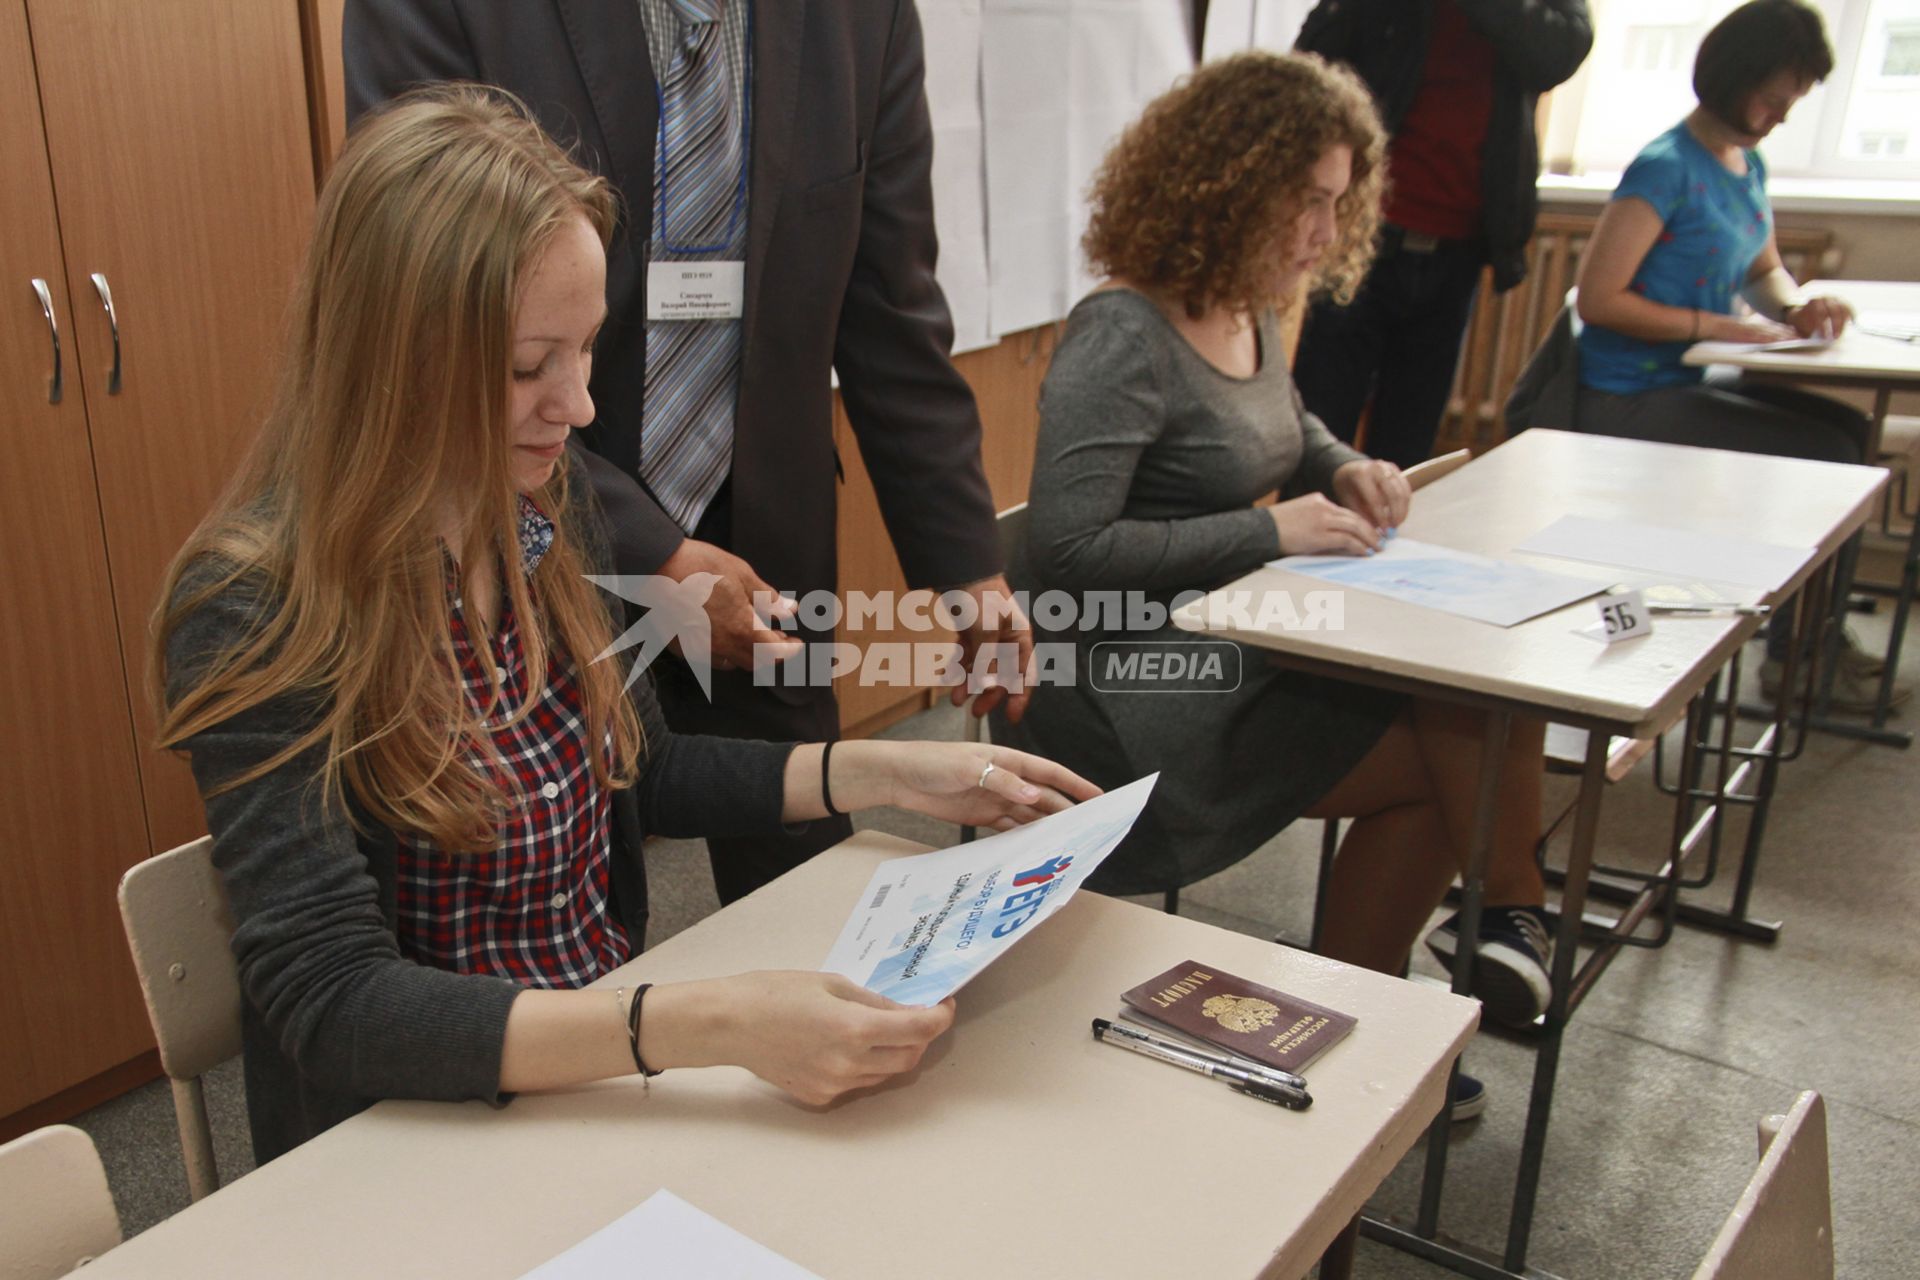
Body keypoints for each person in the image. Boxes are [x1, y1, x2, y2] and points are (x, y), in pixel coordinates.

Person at [154, 87, 1096, 1163]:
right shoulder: (256, 606)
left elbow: (636, 771)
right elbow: (333, 1001)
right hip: (411, 1136)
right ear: (389, 354)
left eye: (586, 351)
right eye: (526, 368)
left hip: (593, 1076)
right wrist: (704, 1022)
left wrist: (882, 773)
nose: (580, 406)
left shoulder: (548, 509)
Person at [343, 0, 1035, 907]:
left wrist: (968, 570)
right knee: (557, 880)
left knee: (809, 886)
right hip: (527, 521)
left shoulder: (865, 20)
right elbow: (420, 295)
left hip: (764, 541)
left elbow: (892, 317)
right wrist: (651, 553)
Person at [988, 53, 1553, 1096]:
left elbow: (1292, 432)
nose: (1327, 236)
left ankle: (1404, 987)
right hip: (1116, 694)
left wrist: (1348, 466)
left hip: (1223, 645)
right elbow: (1063, 560)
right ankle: (1502, 917)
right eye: (1308, 203)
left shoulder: (1250, 305)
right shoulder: (1123, 332)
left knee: (1459, 716)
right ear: (1230, 186)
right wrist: (1267, 534)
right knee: (1453, 732)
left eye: (1340, 205)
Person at [1571, 0, 1903, 712]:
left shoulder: (1745, 164)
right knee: (1828, 456)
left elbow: (1765, 268)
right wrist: (1714, 321)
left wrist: (1793, 307)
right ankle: (1797, 657)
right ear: (1735, 77)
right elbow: (1600, 299)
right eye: (1776, 97)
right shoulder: (1664, 168)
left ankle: (1813, 637)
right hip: (1628, 392)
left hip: (1692, 375)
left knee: (1850, 436)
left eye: (1795, 102)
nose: (1783, 113)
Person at [1291, 0, 1592, 468]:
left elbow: (1558, 53)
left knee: (1407, 448)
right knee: (1320, 432)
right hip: (1359, 239)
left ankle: (1390, 541)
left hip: (1458, 248)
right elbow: (1310, 64)